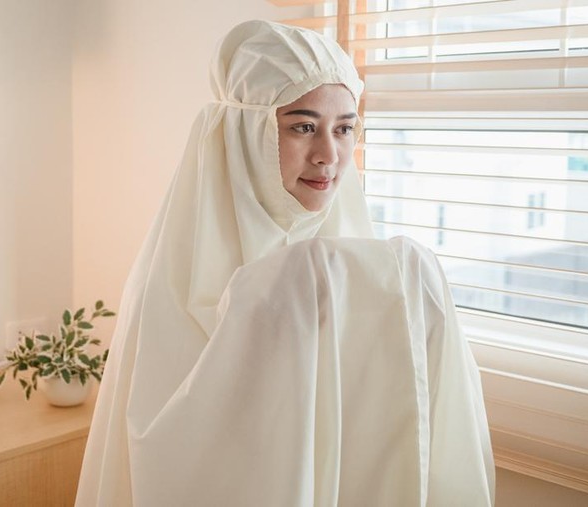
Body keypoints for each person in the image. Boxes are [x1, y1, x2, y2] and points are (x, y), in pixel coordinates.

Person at [76, 20, 495, 506]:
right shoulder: (168, 285)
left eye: (344, 129)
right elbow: (167, 457)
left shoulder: (354, 263)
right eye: (302, 126)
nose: (329, 156)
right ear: (246, 132)